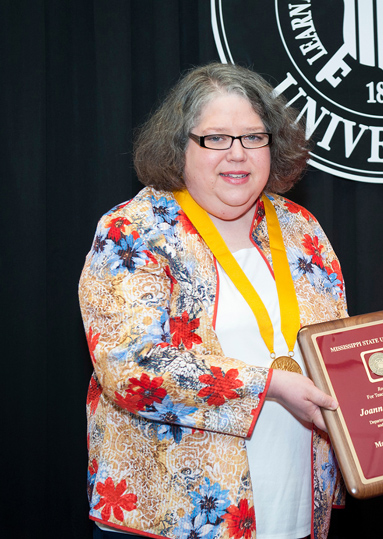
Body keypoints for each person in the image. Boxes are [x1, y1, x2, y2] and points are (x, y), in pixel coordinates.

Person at [79, 63, 346, 539]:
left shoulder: (301, 229)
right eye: (216, 139)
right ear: (179, 145)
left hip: (295, 508)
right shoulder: (135, 231)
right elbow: (131, 368)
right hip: (176, 518)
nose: (237, 155)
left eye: (254, 137)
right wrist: (268, 386)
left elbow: (335, 349)